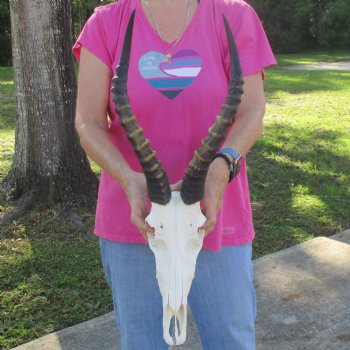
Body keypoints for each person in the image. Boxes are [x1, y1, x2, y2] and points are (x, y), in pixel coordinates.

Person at [73, 0, 276, 349]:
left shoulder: (233, 15)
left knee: (231, 340)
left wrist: (221, 166)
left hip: (214, 213)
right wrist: (128, 179)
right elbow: (88, 122)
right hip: (136, 218)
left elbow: (252, 111)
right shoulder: (106, 23)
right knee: (142, 343)